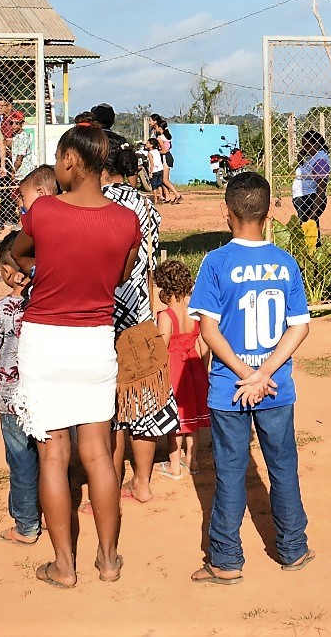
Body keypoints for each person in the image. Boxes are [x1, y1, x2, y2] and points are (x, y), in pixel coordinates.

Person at [8, 123, 141, 589]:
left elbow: (18, 252)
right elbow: (120, 274)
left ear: (68, 160)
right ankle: (108, 560)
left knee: (53, 456)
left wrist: (32, 272)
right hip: (94, 341)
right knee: (98, 455)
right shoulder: (126, 220)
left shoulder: (43, 211)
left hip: (44, 341)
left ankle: (65, 566)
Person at [188, 171, 313, 584]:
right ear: (268, 213)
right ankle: (293, 549)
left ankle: (225, 560)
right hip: (276, 387)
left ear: (227, 212)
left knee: (230, 469)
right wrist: (263, 373)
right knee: (283, 467)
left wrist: (245, 373)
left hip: (230, 388)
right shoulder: (285, 261)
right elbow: (300, 327)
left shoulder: (216, 262)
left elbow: (208, 331)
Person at [101, 141, 180, 505]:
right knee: (145, 397)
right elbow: (149, 258)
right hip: (141, 306)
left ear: (104, 169)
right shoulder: (148, 206)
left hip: (105, 308)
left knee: (113, 406)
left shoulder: (99, 202)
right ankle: (142, 483)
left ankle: (112, 485)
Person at [0, 230, 40, 547]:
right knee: (48, 456)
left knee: (20, 459)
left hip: (11, 397)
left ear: (6, 270)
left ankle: (27, 524)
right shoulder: (46, 304)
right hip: (44, 394)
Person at [154, 259, 209, 478]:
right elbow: (204, 343)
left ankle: (174, 465)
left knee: (175, 418)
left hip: (175, 368)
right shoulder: (194, 312)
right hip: (193, 366)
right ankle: (192, 460)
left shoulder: (167, 316)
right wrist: (202, 370)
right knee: (192, 416)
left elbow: (162, 346)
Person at [291, 131, 331, 252]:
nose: (305, 148)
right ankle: (312, 253)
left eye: (308, 145)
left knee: (309, 228)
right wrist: (301, 158)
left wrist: (314, 212)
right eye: (303, 146)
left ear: (318, 145)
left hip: (311, 198)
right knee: (308, 229)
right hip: (304, 197)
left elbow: (321, 187)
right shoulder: (311, 158)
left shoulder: (320, 160)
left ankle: (312, 254)